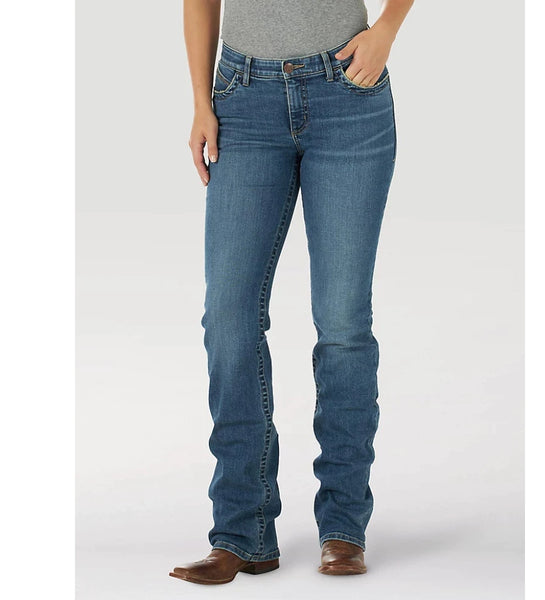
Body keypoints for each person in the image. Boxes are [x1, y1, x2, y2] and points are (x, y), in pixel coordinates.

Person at [170, 0, 415, 585]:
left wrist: (386, 29)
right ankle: (241, 533)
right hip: (242, 100)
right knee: (227, 319)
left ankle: (344, 527)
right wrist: (201, 100)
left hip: (348, 93)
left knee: (343, 322)